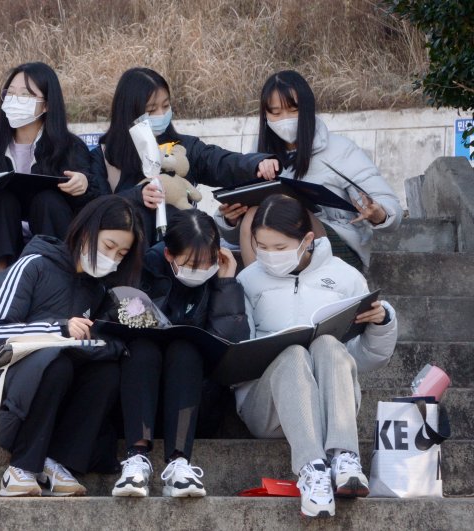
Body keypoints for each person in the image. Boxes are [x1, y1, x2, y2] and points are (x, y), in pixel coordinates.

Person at [0, 195, 145, 497]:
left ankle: (57, 462)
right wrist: (58, 328)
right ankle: (21, 468)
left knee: (105, 373)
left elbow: (95, 343)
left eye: (121, 253)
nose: (112, 258)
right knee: (56, 361)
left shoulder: (97, 289)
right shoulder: (33, 264)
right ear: (87, 231)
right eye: (109, 246)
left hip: (51, 391)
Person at [235, 194, 398, 518]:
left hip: (329, 405)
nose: (269, 256)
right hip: (266, 405)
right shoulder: (247, 281)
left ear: (307, 240)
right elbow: (238, 356)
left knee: (328, 346)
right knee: (293, 354)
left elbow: (363, 359)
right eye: (261, 246)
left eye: (280, 248)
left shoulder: (345, 276)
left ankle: (344, 458)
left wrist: (382, 321)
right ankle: (312, 470)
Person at [112, 209, 249, 498]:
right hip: (140, 395)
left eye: (207, 262)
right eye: (190, 263)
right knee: (143, 348)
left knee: (186, 349)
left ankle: (180, 463)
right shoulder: (143, 268)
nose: (200, 269)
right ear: (169, 256)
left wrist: (225, 283)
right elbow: (118, 319)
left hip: (194, 398)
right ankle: (136, 458)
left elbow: (232, 344)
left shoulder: (220, 277)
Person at [216, 70, 402, 270]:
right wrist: (230, 219)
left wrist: (379, 214)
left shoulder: (340, 150)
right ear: (265, 115)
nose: (284, 119)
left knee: (291, 210)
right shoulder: (257, 155)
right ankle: (257, 288)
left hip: (335, 249)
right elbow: (237, 234)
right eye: (276, 113)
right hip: (275, 250)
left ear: (307, 110)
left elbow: (392, 209)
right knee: (254, 213)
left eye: (293, 110)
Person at [91, 67, 279, 243]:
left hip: (182, 252)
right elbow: (95, 210)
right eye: (151, 110)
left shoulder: (184, 147)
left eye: (166, 106)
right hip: (131, 257)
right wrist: (137, 196)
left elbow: (218, 161)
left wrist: (256, 164)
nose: (161, 114)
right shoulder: (103, 156)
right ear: (128, 112)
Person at [0, 62, 101, 281]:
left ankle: (52, 281)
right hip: (0, 241)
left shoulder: (69, 147)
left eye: (26, 95)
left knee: (47, 200)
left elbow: (93, 200)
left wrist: (83, 184)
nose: (15, 101)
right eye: (10, 94)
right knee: (0, 199)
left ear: (46, 105)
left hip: (53, 240)